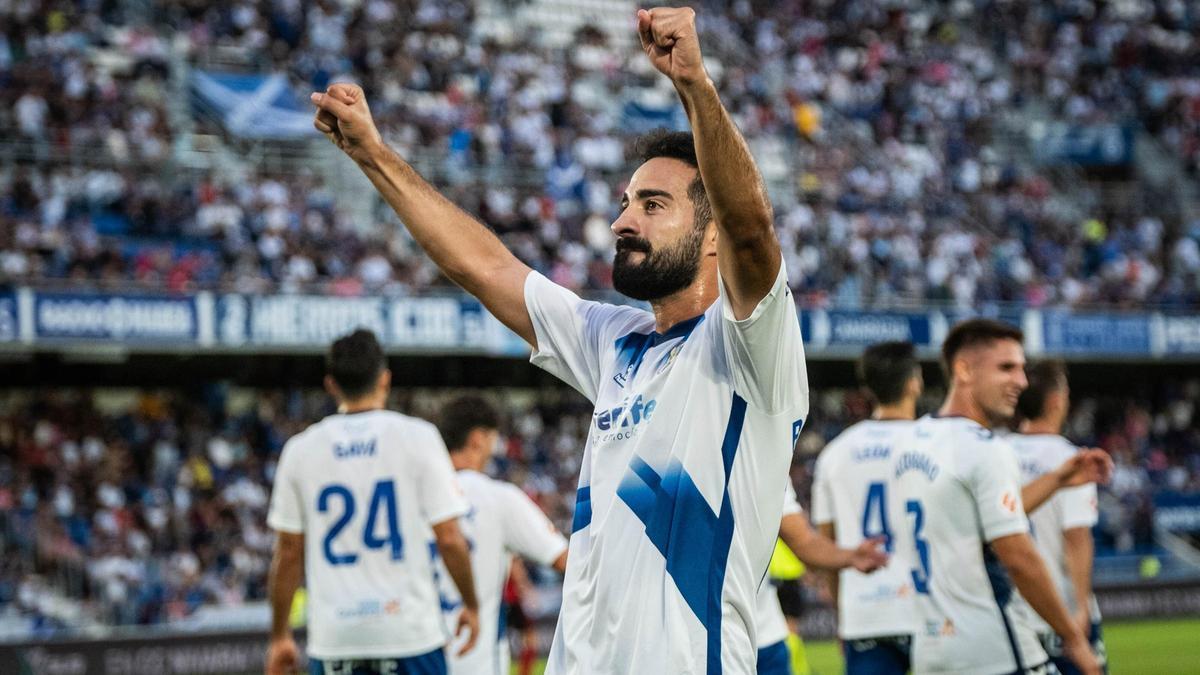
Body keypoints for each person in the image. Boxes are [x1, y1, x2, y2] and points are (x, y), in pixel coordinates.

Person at [309, 7, 808, 673]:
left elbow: (752, 225)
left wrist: (693, 83)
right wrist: (372, 153)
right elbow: (484, 267)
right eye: (626, 202)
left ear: (712, 235)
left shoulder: (751, 347)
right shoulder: (615, 342)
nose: (622, 221)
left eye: (652, 205)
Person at [888, 319, 1109, 675]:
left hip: (933, 651)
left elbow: (972, 523)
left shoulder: (912, 440)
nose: (1021, 382)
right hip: (996, 650)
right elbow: (1018, 557)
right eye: (1006, 368)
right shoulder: (986, 448)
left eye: (1022, 369)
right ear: (963, 370)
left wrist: (1057, 478)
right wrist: (1073, 638)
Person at [265, 329, 480, 675]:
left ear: (331, 384)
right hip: (409, 632)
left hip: (336, 638)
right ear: (385, 379)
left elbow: (288, 552)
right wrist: (471, 604)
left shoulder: (300, 450)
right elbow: (450, 537)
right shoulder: (419, 437)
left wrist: (279, 635)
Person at [810, 341, 924, 674]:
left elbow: (828, 550)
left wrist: (842, 615)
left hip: (865, 613)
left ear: (868, 388)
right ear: (914, 382)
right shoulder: (936, 444)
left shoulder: (835, 453)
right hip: (931, 613)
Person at [436, 395, 569, 675]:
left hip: (418, 659)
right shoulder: (499, 498)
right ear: (478, 439)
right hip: (474, 660)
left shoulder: (413, 496)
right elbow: (568, 561)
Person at [1011, 361, 1108, 674]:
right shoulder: (1073, 459)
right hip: (1059, 610)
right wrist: (1080, 608)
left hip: (1013, 613)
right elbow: (1077, 538)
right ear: (1056, 401)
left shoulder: (997, 452)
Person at [755, 481, 888, 675]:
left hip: (765, 637)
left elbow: (804, 541)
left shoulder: (766, 465)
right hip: (709, 637)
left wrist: (850, 556)